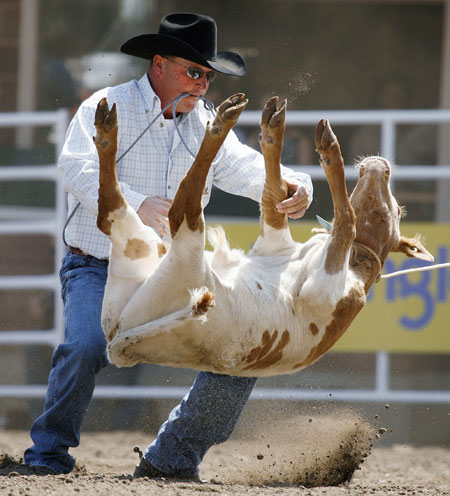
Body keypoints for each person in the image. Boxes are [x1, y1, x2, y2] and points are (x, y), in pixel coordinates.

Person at [24, 12, 313, 480]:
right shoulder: (107, 105)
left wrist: (295, 186)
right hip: (96, 264)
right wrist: (135, 205)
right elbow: (74, 169)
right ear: (158, 65)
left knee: (240, 350)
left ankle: (173, 455)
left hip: (172, 276)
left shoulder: (206, 127)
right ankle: (47, 454)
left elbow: (250, 169)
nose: (201, 85)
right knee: (86, 347)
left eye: (207, 75)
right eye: (192, 71)